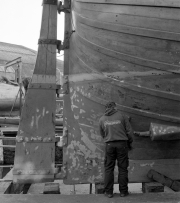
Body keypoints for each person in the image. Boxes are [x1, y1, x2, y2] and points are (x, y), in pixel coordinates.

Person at [99, 101, 133, 198]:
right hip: (122, 144)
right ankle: (123, 192)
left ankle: (109, 192)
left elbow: (102, 134)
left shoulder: (102, 119)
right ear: (115, 107)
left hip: (109, 145)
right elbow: (129, 131)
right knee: (123, 168)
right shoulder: (122, 116)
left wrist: (108, 139)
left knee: (109, 168)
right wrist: (129, 142)